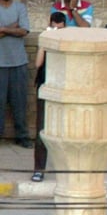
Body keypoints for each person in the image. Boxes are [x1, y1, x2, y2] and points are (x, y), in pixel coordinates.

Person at [32, 12, 66, 181]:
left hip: (63, 91)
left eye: (60, 29)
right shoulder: (45, 39)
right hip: (45, 88)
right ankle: (39, 169)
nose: (57, 31)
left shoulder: (68, 42)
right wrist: (44, 43)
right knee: (41, 131)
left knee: (65, 132)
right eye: (54, 27)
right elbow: (38, 64)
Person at [0, 0, 31, 149]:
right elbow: (17, 29)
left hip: (19, 62)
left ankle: (22, 136)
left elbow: (24, 30)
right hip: (0, 64)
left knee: (20, 102)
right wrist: (12, 27)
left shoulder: (20, 7)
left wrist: (3, 28)